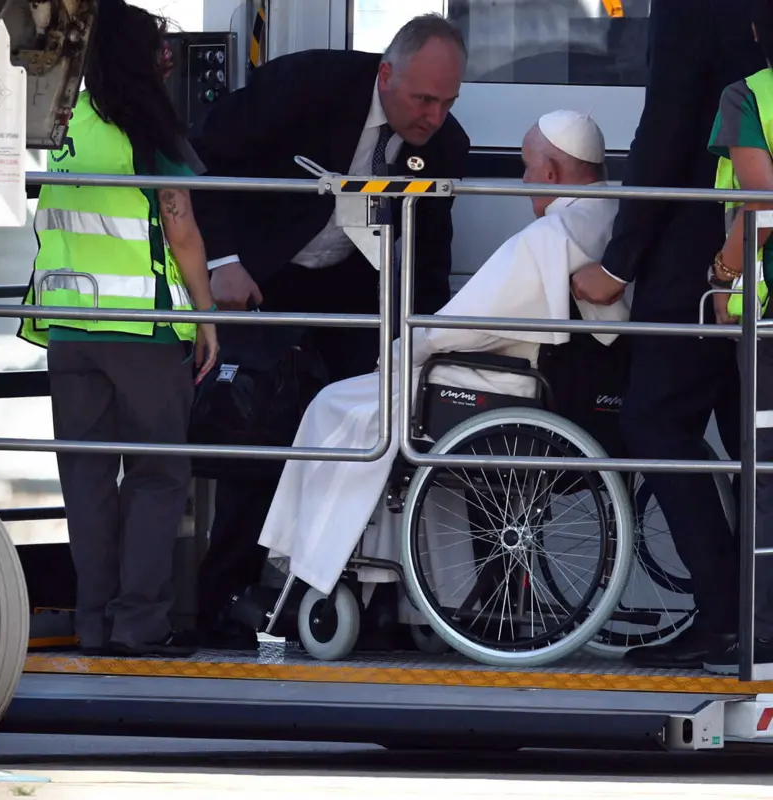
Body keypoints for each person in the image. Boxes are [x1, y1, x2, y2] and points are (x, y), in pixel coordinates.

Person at [257, 112, 628, 602]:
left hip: (506, 383)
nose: (523, 179)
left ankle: (312, 566)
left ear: (554, 173)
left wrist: (406, 346)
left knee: (335, 403)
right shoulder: (615, 214)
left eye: (527, 167)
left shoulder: (551, 235)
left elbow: (472, 323)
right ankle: (401, 583)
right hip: (553, 382)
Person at [188, 13, 472, 649]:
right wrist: (222, 261)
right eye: (424, 98)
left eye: (448, 101)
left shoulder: (446, 145)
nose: (434, 115)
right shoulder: (309, 84)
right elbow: (205, 148)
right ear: (386, 74)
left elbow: (427, 254)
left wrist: (422, 340)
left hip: (354, 290)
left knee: (369, 430)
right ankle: (221, 600)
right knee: (256, 433)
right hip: (263, 274)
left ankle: (352, 599)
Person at [18, 0, 220, 658]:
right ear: (137, 58)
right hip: (144, 327)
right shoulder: (143, 123)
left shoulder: (63, 121)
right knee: (159, 476)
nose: (168, 60)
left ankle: (94, 622)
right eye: (159, 49)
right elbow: (179, 220)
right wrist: (206, 309)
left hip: (68, 328)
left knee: (87, 480)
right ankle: (140, 625)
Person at [571, 0, 764, 669]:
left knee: (656, 417)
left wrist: (619, 263)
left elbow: (668, 129)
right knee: (751, 433)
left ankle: (725, 616)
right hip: (751, 248)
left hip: (708, 244)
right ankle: (754, 615)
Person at [701, 0, 773, 676]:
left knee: (766, 472)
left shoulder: (746, 95)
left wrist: (723, 275)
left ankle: (764, 635)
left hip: (771, 315)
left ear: (756, 30)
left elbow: (760, 201)